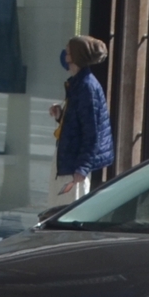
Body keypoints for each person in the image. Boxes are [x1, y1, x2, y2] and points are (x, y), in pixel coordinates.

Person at [53, 33, 113, 200]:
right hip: (67, 161)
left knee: (65, 211)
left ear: (76, 57)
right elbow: (77, 122)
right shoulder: (78, 83)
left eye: (68, 52)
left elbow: (92, 132)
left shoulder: (86, 87)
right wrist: (60, 116)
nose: (64, 56)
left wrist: (82, 167)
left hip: (73, 167)